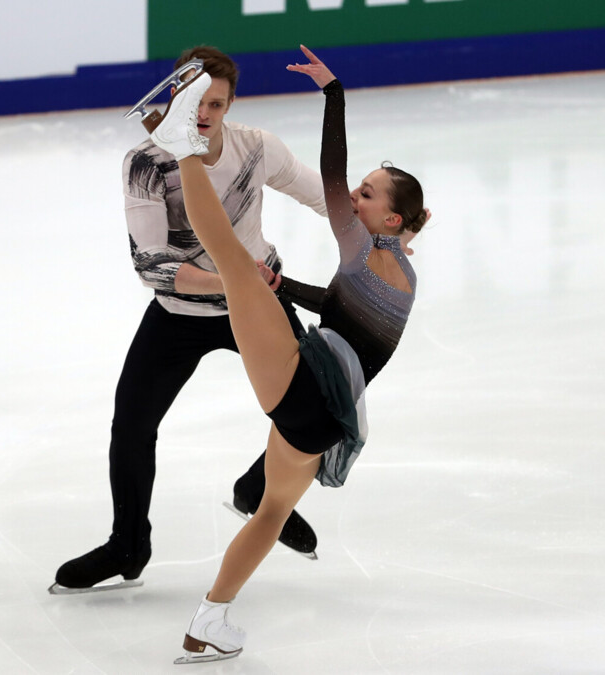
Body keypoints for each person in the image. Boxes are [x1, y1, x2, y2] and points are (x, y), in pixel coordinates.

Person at [137, 46, 429, 663]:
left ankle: (179, 140)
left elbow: (328, 178)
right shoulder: (379, 258)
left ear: (392, 218)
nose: (353, 196)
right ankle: (209, 623)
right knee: (268, 513)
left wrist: (336, 95)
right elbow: (336, 296)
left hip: (311, 390)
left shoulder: (381, 263)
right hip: (322, 415)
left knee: (231, 258)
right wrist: (333, 93)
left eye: (368, 195)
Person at [51, 46, 330, 594]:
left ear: (231, 104)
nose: (204, 114)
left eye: (217, 104)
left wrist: (381, 234)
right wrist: (233, 279)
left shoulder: (255, 148)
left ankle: (259, 490)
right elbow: (151, 265)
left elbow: (323, 198)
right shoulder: (147, 162)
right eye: (195, 100)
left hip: (256, 308)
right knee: (131, 425)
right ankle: (127, 546)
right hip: (180, 312)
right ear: (176, 94)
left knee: (319, 409)